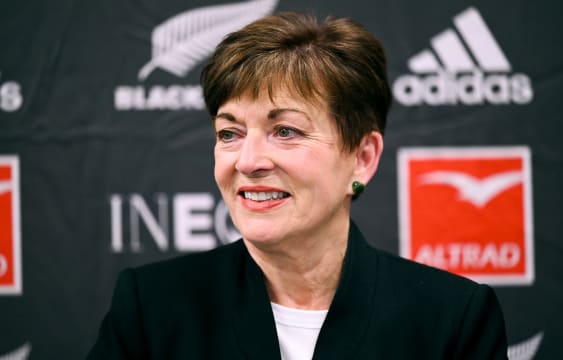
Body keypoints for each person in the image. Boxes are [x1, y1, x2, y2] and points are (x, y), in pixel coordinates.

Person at [87, 12, 508, 359]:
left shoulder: (452, 319)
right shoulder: (152, 307)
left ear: (362, 158)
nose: (248, 162)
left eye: (285, 131)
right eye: (229, 133)